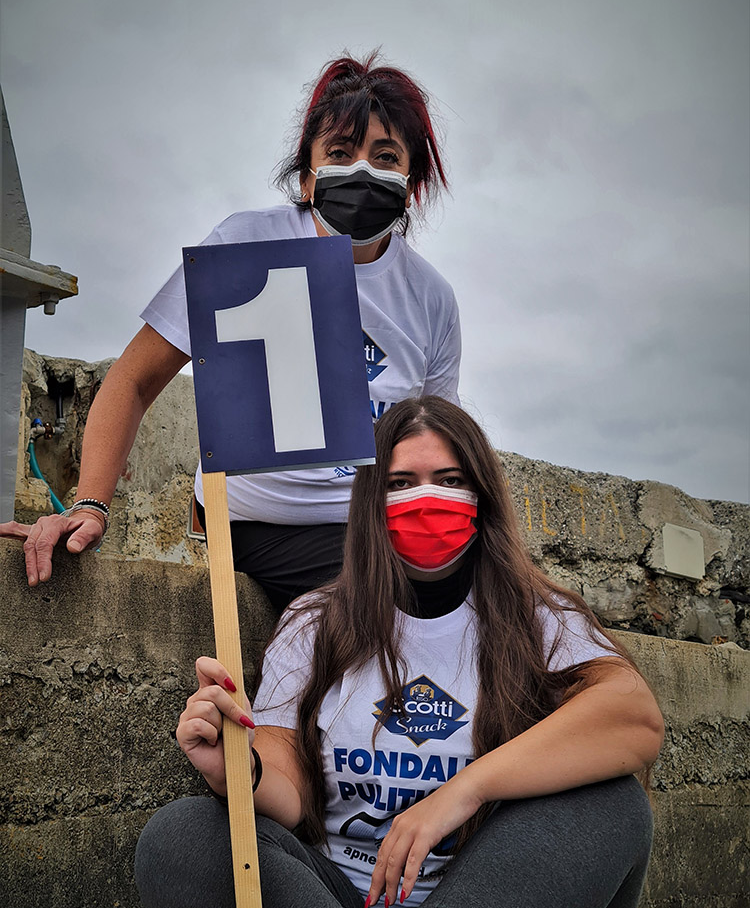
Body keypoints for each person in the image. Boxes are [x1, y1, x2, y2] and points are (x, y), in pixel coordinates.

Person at [135, 396, 664, 908]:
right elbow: (284, 785)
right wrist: (241, 769)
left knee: (613, 803)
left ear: (482, 495)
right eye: (401, 482)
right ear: (370, 502)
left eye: (449, 479)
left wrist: (460, 794)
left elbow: (633, 718)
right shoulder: (315, 623)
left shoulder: (540, 618)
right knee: (180, 838)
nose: (427, 498)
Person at [1, 52, 459, 611]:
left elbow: (438, 442)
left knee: (505, 602)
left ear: (411, 181)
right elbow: (135, 381)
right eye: (340, 152)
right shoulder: (246, 244)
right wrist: (90, 504)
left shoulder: (430, 297)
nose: (362, 171)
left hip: (377, 527)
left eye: (385, 156)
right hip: (263, 523)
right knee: (382, 602)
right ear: (309, 172)